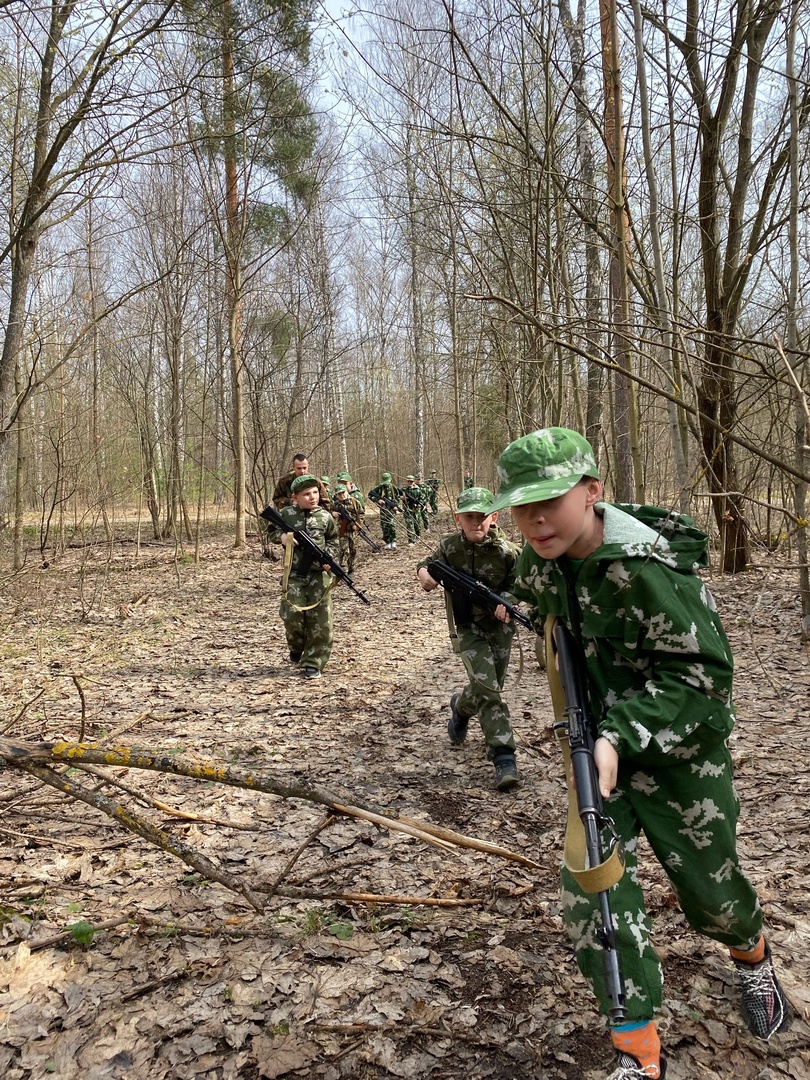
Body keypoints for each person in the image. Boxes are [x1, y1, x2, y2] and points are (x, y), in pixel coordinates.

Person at [489, 427, 791, 1079]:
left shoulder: (650, 569)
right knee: (592, 887)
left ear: (593, 491)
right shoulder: (539, 560)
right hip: (597, 752)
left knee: (710, 889)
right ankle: (638, 1049)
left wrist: (618, 734)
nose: (536, 518)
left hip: (681, 751)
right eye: (521, 504)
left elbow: (705, 679)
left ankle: (751, 951)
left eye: (552, 499)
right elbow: (544, 611)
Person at [416, 487, 522, 790]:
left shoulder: (508, 552)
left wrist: (508, 602)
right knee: (489, 689)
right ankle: (504, 757)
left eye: (482, 516)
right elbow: (427, 565)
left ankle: (460, 708)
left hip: (499, 629)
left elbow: (522, 584)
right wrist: (425, 576)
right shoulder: (449, 547)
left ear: (494, 517)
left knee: (489, 685)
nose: (476, 523)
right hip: (467, 628)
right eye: (469, 517)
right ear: (457, 518)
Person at [264, 474, 339, 680]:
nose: (312, 497)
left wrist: (329, 558)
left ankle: (314, 662)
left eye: (315, 492)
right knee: (292, 615)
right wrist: (282, 537)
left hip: (319, 575)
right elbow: (271, 530)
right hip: (295, 574)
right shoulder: (287, 513)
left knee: (322, 620)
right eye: (306, 494)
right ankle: (296, 646)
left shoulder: (325, 517)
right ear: (295, 497)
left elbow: (333, 540)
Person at [332, 483, 364, 574]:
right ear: (336, 495)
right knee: (344, 550)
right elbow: (327, 512)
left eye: (343, 493)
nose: (342, 495)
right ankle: (342, 569)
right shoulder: (335, 504)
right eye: (339, 494)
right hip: (342, 529)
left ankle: (351, 570)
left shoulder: (354, 502)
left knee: (353, 550)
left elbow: (361, 513)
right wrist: (332, 513)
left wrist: (357, 524)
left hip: (353, 530)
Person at [368, 472, 403, 550]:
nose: (386, 484)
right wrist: (377, 500)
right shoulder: (379, 488)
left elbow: (398, 497)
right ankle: (387, 542)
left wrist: (396, 506)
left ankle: (393, 542)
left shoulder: (394, 488)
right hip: (383, 510)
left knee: (392, 525)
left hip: (392, 510)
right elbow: (370, 495)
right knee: (384, 526)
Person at [401, 475, 424, 546]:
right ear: (406, 482)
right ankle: (411, 540)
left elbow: (422, 498)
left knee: (417, 524)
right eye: (408, 481)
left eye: (411, 481)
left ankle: (418, 536)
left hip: (416, 510)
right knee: (409, 524)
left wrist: (420, 504)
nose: (410, 482)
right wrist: (402, 498)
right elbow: (398, 496)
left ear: (413, 482)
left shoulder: (418, 489)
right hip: (407, 509)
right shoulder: (403, 490)